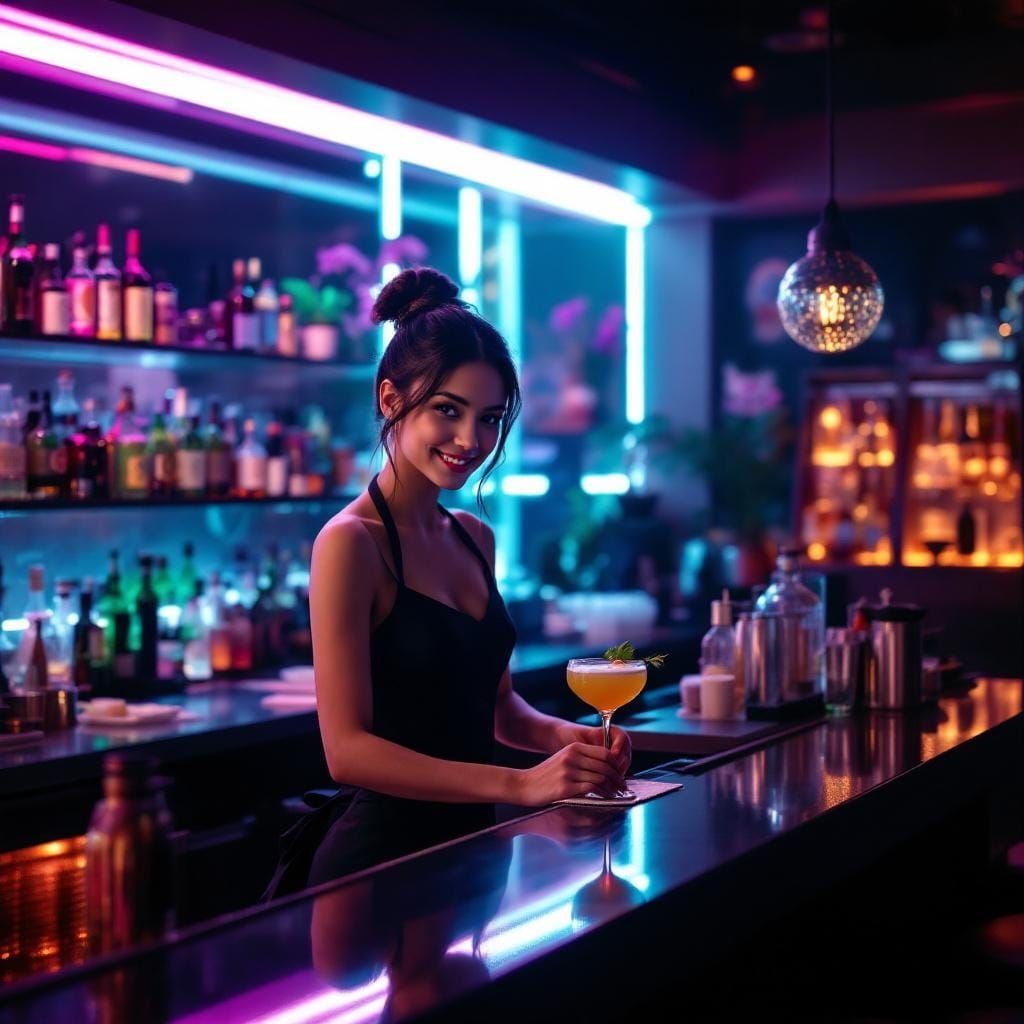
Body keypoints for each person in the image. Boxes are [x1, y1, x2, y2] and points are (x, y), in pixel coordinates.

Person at [263, 267, 631, 900]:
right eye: (447, 410)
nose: (471, 441)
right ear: (389, 402)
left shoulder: (473, 537)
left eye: (489, 419)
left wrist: (566, 741)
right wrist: (519, 785)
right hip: (375, 865)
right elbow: (346, 753)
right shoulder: (351, 544)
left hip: (470, 854)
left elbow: (497, 710)